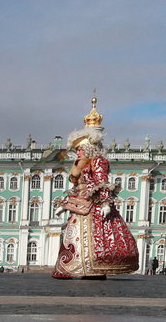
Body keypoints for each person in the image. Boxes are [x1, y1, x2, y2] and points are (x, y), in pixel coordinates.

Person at [53, 98, 139, 279]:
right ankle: (74, 267)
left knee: (96, 238)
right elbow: (76, 186)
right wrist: (68, 195)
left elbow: (102, 182)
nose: (77, 152)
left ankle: (94, 269)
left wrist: (105, 202)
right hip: (80, 205)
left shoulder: (99, 161)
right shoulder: (80, 164)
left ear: (88, 148)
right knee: (74, 236)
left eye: (80, 149)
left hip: (96, 206)